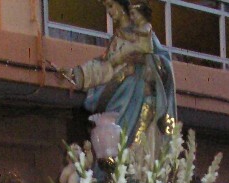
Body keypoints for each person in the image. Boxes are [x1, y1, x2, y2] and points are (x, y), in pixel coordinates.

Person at [66, 0, 177, 160]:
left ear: (122, 6)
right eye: (106, 7)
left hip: (140, 99)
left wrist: (145, 61)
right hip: (119, 100)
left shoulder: (144, 33)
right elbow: (105, 66)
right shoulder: (117, 39)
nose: (109, 11)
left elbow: (164, 63)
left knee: (138, 150)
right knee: (113, 147)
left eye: (111, 6)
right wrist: (75, 74)